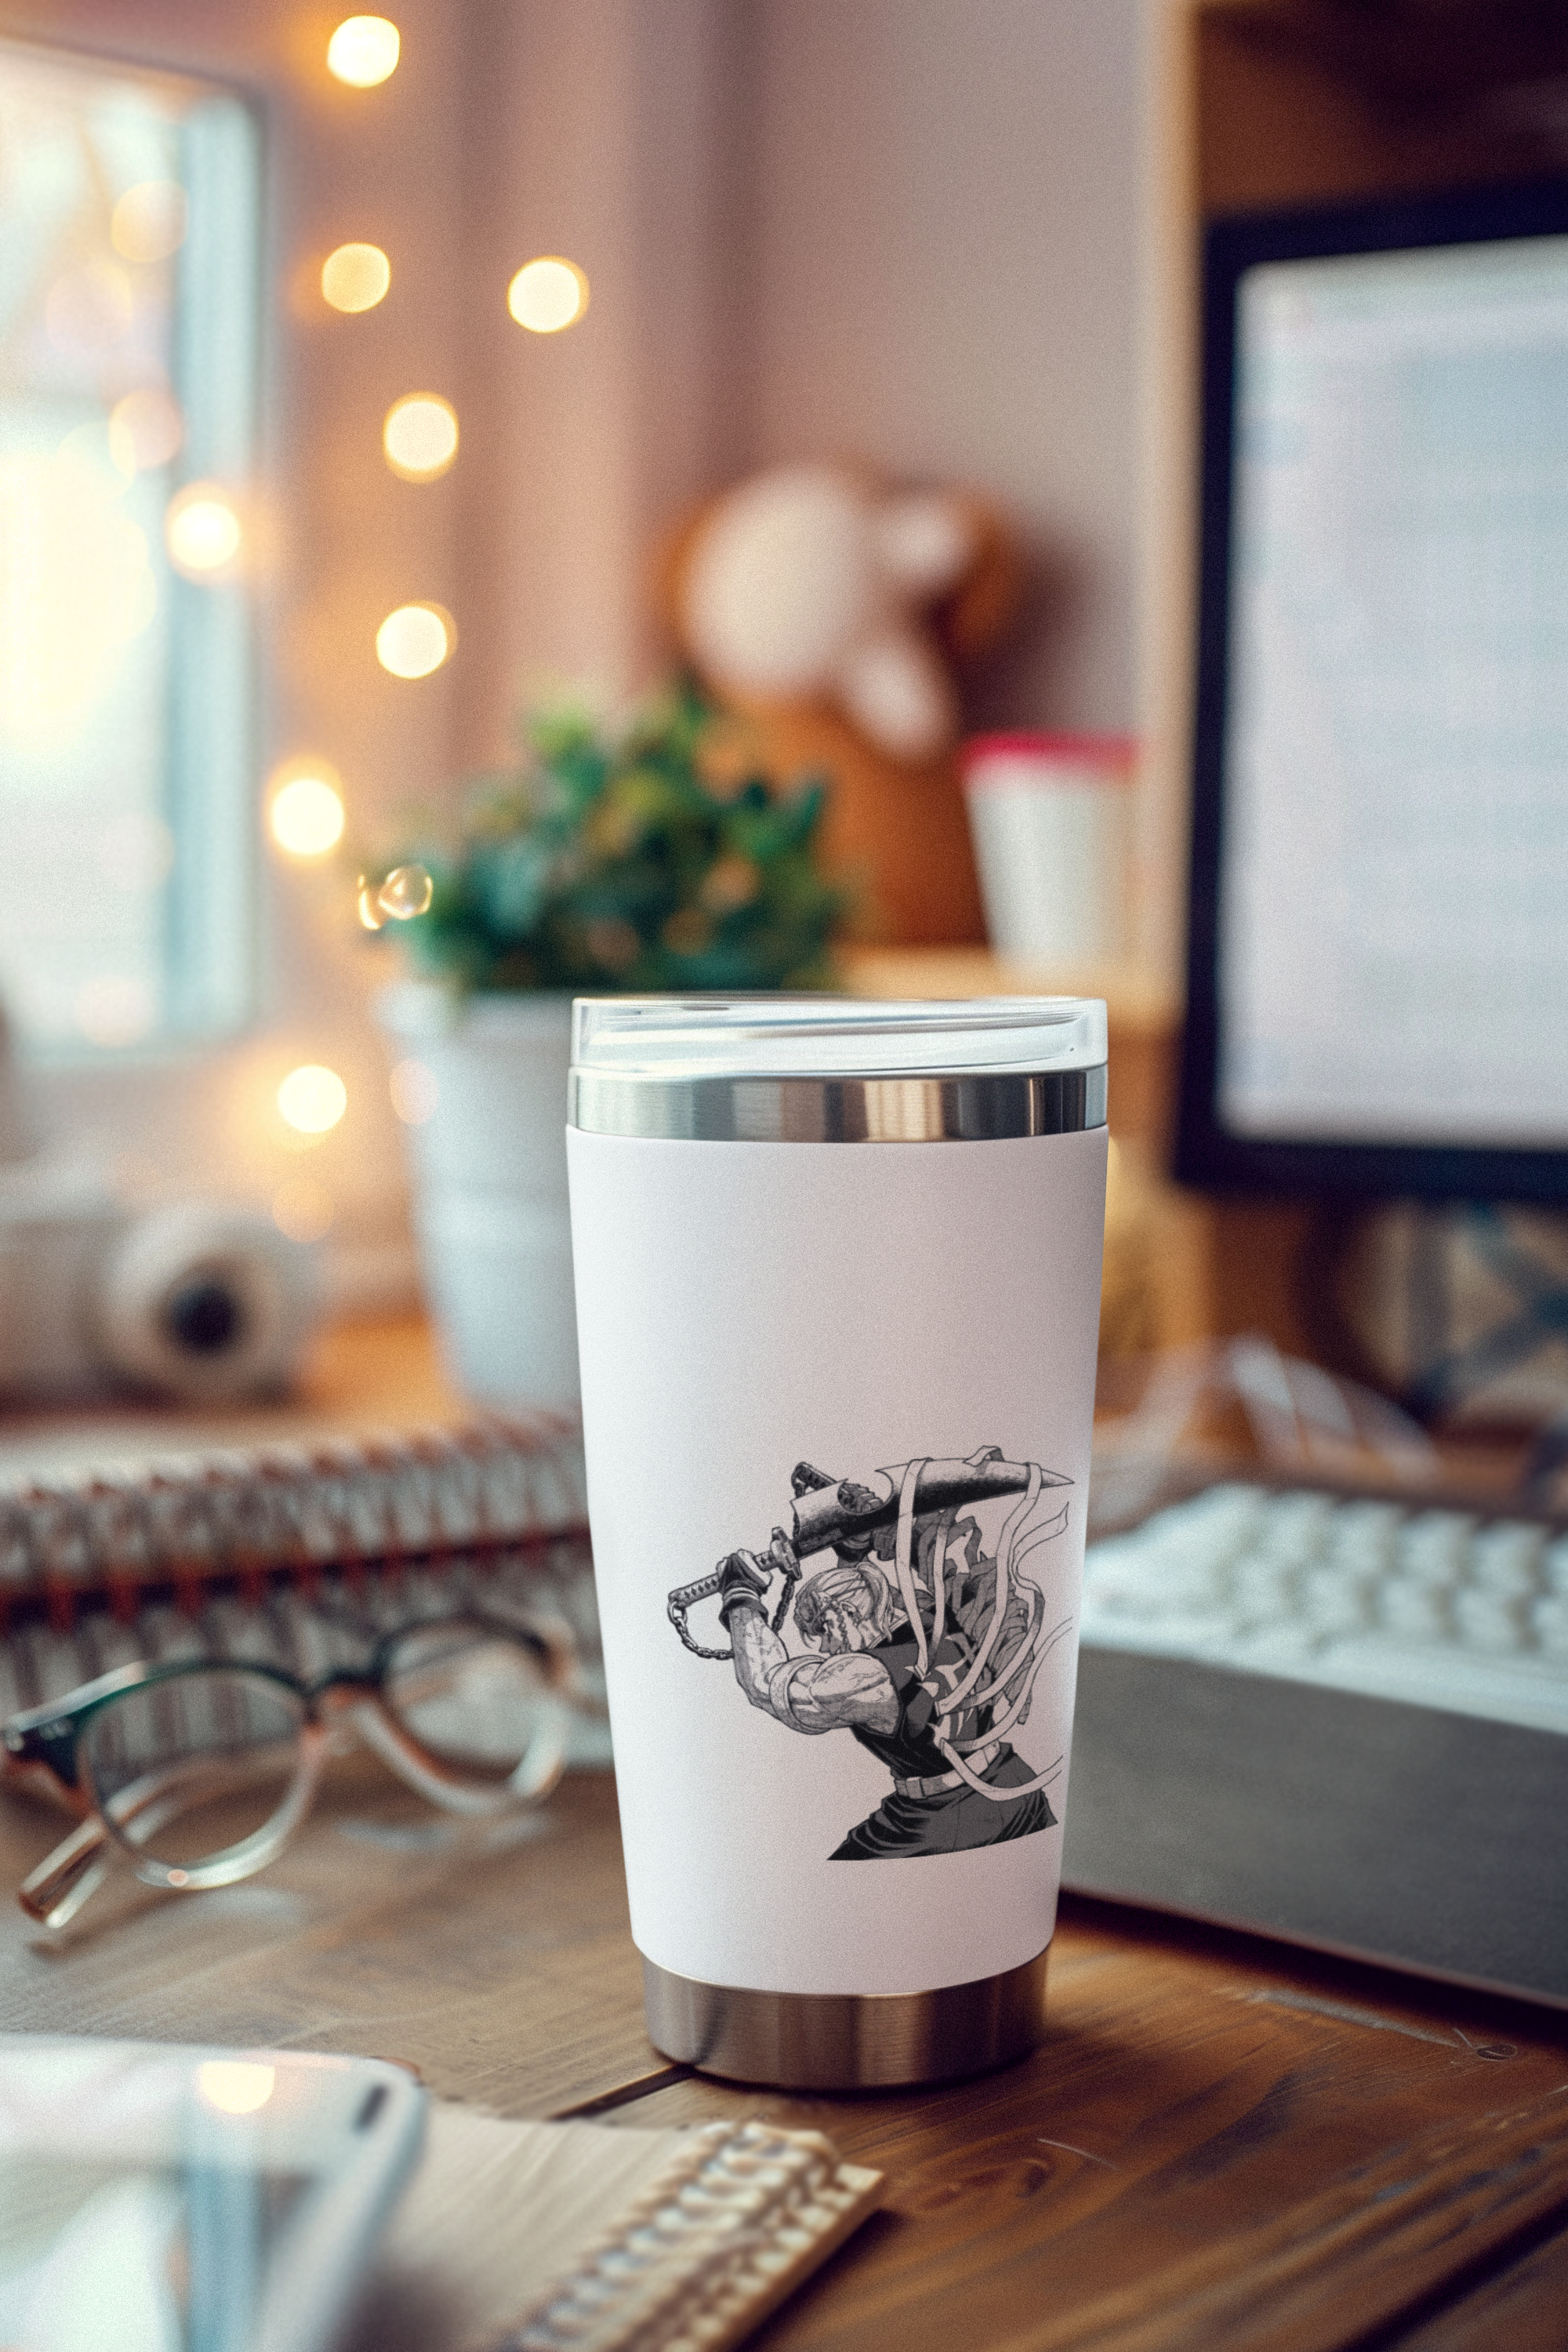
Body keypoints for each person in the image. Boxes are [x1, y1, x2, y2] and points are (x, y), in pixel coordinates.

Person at [717, 1504, 1058, 1861]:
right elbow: (866, 1595)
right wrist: (850, 1550)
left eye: (823, 1633)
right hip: (1014, 1784)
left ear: (843, 1615)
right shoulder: (931, 1612)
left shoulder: (868, 1678)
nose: (826, 1648)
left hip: (945, 1815)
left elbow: (764, 1684)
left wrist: (741, 1594)